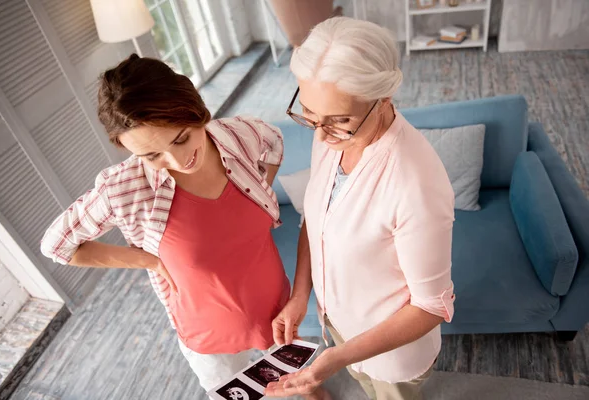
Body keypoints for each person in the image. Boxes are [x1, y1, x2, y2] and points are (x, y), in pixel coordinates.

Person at [40, 54, 291, 396]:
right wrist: (148, 259)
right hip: (209, 335)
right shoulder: (123, 188)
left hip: (276, 303)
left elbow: (274, 141)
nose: (176, 161)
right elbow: (57, 245)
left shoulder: (238, 135)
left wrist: (261, 192)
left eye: (181, 138)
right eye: (152, 155)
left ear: (195, 108)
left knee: (291, 378)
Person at [266, 17, 455, 400]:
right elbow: (313, 221)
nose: (318, 135)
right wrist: (301, 294)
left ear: (383, 98)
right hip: (337, 326)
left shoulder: (415, 182)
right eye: (309, 115)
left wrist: (335, 359)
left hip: (393, 354)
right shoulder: (332, 136)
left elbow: (432, 306)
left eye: (339, 121)